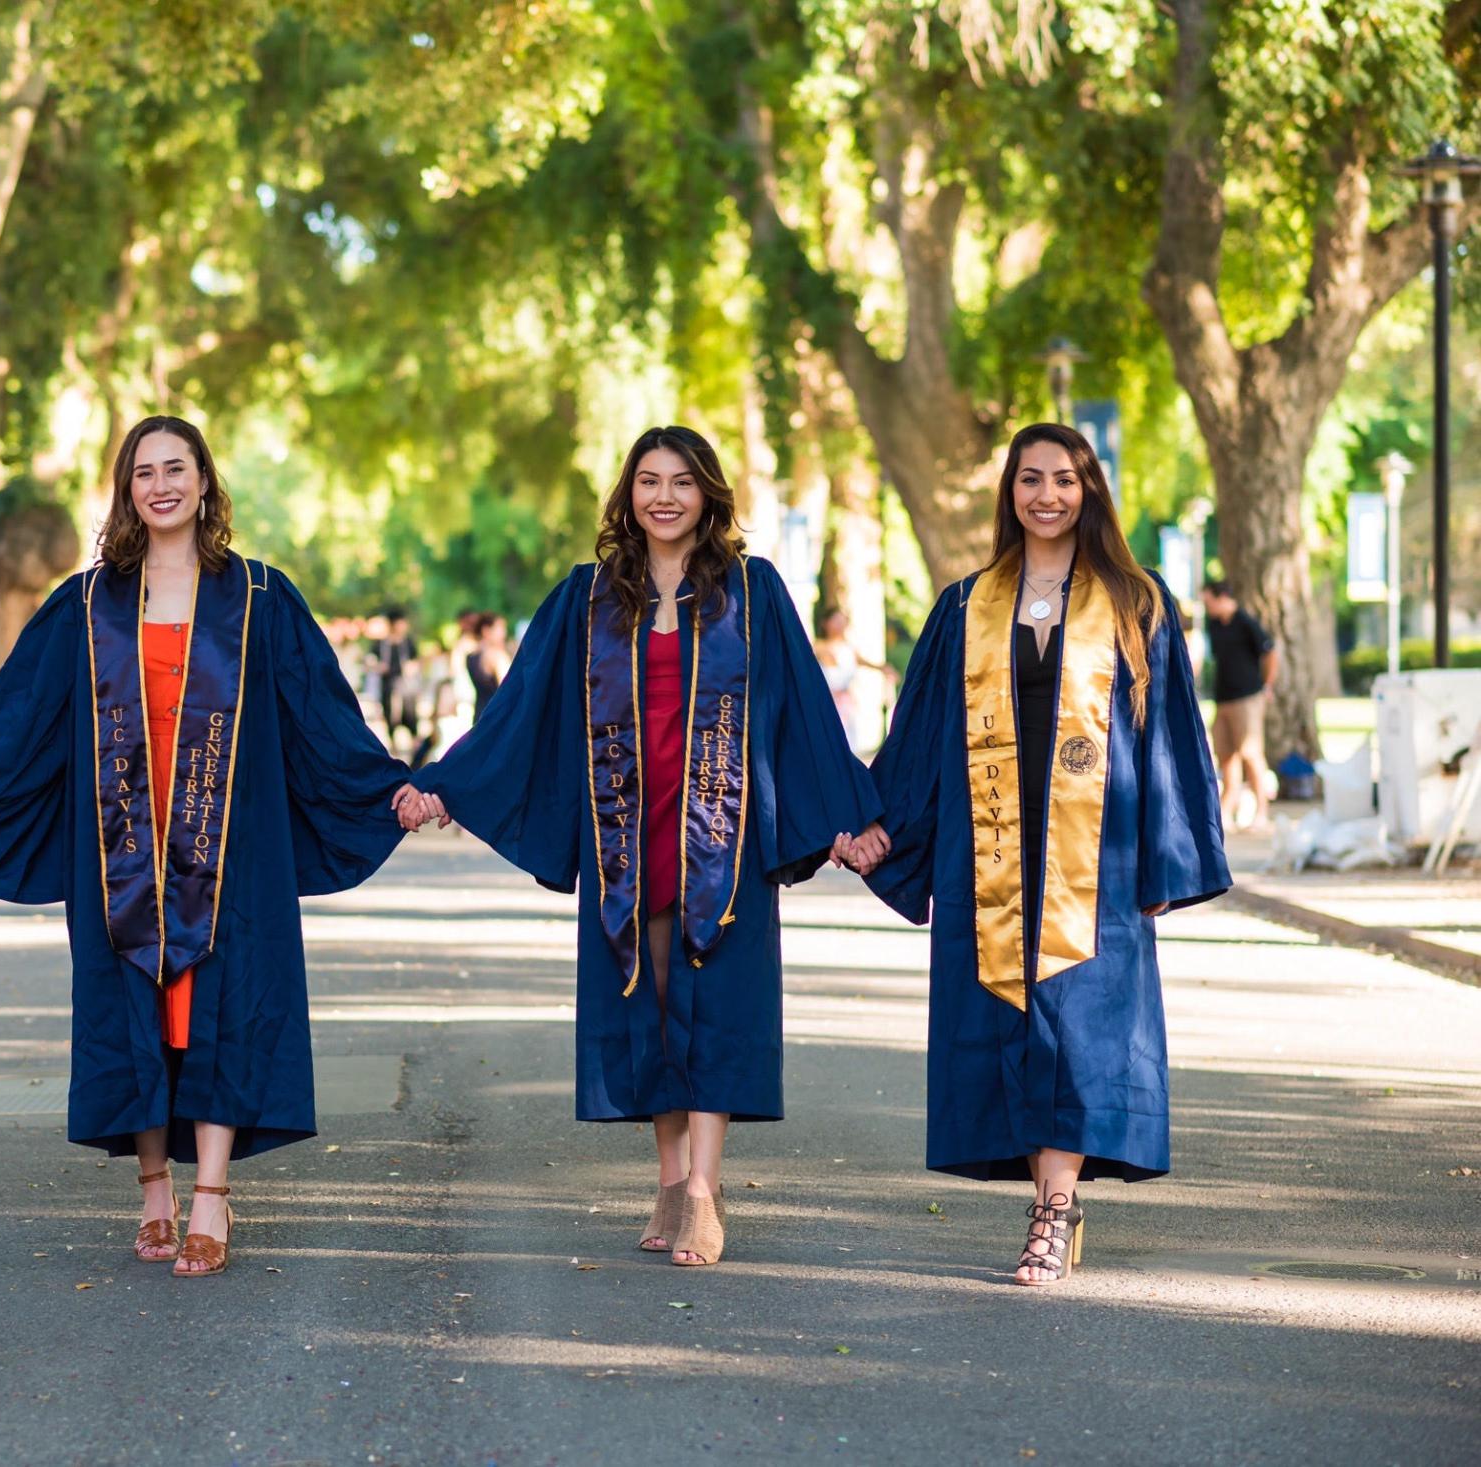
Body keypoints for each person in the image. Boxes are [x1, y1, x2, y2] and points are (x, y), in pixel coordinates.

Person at [0, 414, 418, 1278]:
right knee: (135, 1008)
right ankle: (155, 1189)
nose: (160, 485)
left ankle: (212, 1195)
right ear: (126, 489)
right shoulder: (88, 600)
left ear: (205, 480)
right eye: (143, 472)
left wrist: (390, 788)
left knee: (221, 1006)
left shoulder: (260, 596)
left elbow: (324, 716)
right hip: (121, 847)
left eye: (175, 468)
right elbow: (14, 716)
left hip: (230, 849)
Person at [399, 425, 880, 1267]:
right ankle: (669, 1174)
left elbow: (804, 708)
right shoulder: (586, 598)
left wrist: (847, 813)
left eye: (682, 482)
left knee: (719, 1002)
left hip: (720, 835)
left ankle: (704, 1186)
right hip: (625, 830)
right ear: (627, 494)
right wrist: (448, 780)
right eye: (648, 481)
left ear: (709, 495)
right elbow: (517, 711)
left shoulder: (752, 591)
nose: (664, 496)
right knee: (648, 1000)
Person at [836, 424, 1228, 1287]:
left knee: (1082, 1035)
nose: (1046, 495)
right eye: (1029, 480)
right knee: (1010, 1024)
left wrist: (1166, 860)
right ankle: (1052, 1196)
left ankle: (1054, 1206)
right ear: (1009, 493)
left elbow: (1167, 736)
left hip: (1101, 860)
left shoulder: (1136, 600)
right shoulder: (967, 604)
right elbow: (923, 732)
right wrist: (875, 824)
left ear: (1090, 488)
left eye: (1063, 478)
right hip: (990, 854)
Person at [1200, 580, 1279, 830]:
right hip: (1223, 698)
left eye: (1209, 602)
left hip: (1247, 697)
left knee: (1251, 753)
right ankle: (1227, 809)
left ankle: (1262, 811)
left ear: (1222, 597)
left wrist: (1267, 684)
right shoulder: (1214, 625)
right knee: (1226, 754)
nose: (1207, 607)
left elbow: (1270, 651)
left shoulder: (1245, 622)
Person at [369, 609, 420, 752]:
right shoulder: (381, 644)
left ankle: (414, 744)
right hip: (388, 685)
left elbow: (416, 660)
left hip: (406, 685)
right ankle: (393, 744)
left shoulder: (407, 642)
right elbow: (370, 659)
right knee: (390, 714)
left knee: (410, 713)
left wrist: (412, 667)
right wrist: (378, 666)